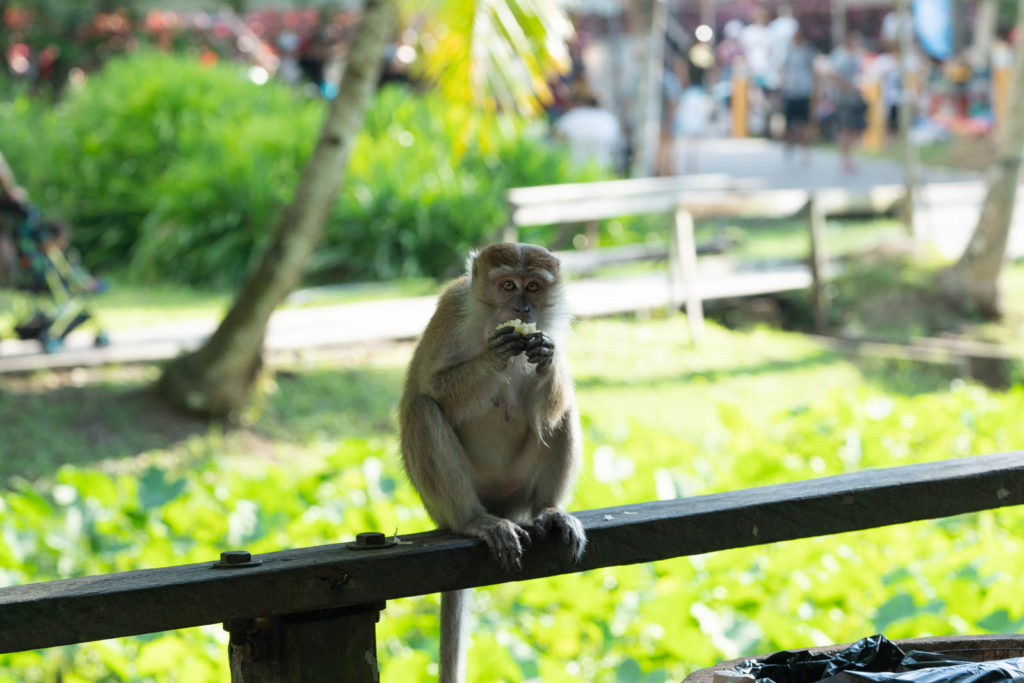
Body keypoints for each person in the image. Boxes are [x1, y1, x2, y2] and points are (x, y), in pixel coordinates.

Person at [552, 86, 624, 172]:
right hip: (603, 169)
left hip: (575, 169)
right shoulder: (609, 118)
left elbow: (556, 141)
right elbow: (617, 145)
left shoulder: (572, 117)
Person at [830, 32, 866, 174]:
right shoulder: (840, 55)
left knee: (853, 129)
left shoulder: (856, 56)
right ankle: (845, 158)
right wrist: (848, 85)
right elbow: (832, 74)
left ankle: (849, 156)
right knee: (845, 129)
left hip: (855, 98)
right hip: (844, 98)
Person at [780, 28, 817, 162]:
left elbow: (813, 71)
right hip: (791, 91)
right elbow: (784, 71)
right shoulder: (789, 53)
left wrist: (815, 91)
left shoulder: (807, 53)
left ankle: (805, 148)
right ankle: (789, 142)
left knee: (805, 122)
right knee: (790, 122)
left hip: (804, 91)